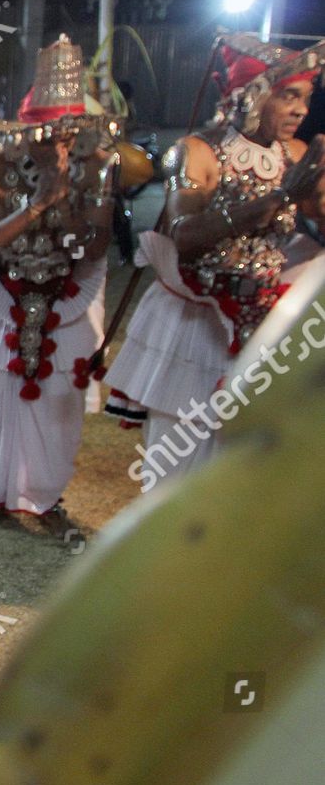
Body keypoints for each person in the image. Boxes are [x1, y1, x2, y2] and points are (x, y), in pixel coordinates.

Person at [104, 33, 325, 488]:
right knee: (180, 460)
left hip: (262, 324)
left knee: (244, 466)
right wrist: (281, 196)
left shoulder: (299, 155)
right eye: (289, 96)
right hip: (195, 323)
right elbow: (184, 236)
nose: (301, 110)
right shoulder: (198, 151)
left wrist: (315, 198)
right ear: (253, 95)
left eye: (306, 97)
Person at [0, 35, 118, 541]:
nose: (58, 143)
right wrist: (37, 206)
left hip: (64, 300)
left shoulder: (98, 168)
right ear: (26, 129)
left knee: (57, 410)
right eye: (49, 133)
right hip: (5, 296)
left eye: (70, 134)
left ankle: (44, 497)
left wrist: (64, 197)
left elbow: (93, 247)